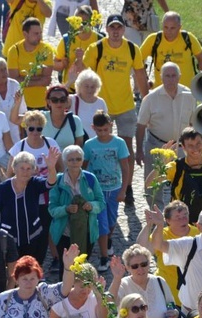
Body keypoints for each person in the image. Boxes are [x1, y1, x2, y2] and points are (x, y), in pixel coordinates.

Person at [83, 14, 149, 205]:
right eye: (112, 27)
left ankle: (127, 188)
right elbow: (85, 74)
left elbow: (140, 75)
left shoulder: (131, 48)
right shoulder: (97, 48)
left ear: (124, 29)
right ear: (107, 29)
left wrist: (146, 100)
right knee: (101, 146)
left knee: (126, 148)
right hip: (102, 107)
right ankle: (99, 184)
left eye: (118, 27)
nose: (115, 31)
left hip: (126, 105)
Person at [135, 62, 195, 208]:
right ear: (161, 78)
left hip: (182, 146)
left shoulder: (190, 95)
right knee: (154, 184)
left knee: (183, 181)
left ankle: (180, 214)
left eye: (174, 76)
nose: (170, 79)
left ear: (179, 77)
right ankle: (156, 215)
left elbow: (194, 122)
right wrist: (139, 150)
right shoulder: (150, 98)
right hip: (157, 145)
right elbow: (141, 125)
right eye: (167, 76)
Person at [82, 110, 131, 271]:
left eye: (106, 129)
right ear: (93, 128)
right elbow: (84, 167)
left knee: (111, 220)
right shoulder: (89, 145)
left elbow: (125, 167)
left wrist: (124, 190)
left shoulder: (119, 143)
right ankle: (104, 257)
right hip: (97, 191)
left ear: (111, 126)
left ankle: (108, 240)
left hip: (115, 188)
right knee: (101, 223)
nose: (103, 133)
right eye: (99, 130)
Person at [145, 126, 202, 224]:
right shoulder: (175, 167)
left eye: (198, 143)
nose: (195, 148)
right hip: (180, 225)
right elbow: (149, 184)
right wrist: (163, 162)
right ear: (183, 147)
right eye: (190, 145)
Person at [48, 144, 105, 274]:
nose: (75, 162)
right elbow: (52, 209)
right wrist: (66, 209)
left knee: (82, 267)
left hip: (87, 231)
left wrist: (91, 206)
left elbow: (101, 203)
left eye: (78, 159)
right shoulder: (57, 180)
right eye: (71, 159)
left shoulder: (90, 178)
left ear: (82, 160)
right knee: (66, 269)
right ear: (65, 161)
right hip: (64, 232)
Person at [0, 149, 59, 264]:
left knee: (31, 269)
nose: (25, 172)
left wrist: (51, 167)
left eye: (29, 168)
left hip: (33, 236)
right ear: (14, 169)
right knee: (13, 272)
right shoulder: (3, 188)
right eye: (22, 168)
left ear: (34, 170)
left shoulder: (34, 183)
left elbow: (50, 183)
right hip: (10, 239)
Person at [137, 200, 198, 308]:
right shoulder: (162, 234)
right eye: (178, 217)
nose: (183, 220)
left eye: (185, 215)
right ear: (168, 221)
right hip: (167, 291)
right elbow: (143, 249)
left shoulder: (198, 233)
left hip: (193, 290)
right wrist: (150, 225)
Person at [108, 244, 178, 318]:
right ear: (128, 268)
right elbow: (109, 302)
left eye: (144, 264)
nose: (140, 269)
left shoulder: (159, 281)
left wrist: (173, 315)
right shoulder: (122, 284)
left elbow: (171, 306)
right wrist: (117, 278)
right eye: (135, 266)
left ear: (149, 264)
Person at [140, 12, 202, 87]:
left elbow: (201, 57)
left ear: (180, 27)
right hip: (162, 90)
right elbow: (138, 59)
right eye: (166, 27)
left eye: (172, 28)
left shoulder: (188, 38)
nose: (169, 31)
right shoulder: (153, 39)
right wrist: (145, 79)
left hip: (187, 90)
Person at [8, 18, 55, 111]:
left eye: (40, 33)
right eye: (36, 34)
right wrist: (38, 79)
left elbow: (46, 80)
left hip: (42, 102)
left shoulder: (46, 50)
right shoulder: (14, 51)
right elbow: (14, 80)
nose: (40, 36)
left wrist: (24, 79)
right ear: (25, 34)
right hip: (20, 103)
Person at [53, 5, 101, 90]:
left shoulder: (99, 40)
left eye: (85, 22)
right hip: (71, 89)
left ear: (91, 22)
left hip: (92, 90)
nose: (81, 25)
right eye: (78, 22)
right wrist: (62, 64)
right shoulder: (67, 40)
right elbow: (54, 64)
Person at [69, 69, 107, 141]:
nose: (89, 90)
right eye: (86, 86)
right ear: (79, 86)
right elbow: (55, 96)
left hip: (96, 143)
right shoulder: (72, 100)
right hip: (77, 143)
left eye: (92, 87)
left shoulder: (101, 102)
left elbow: (105, 125)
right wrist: (69, 82)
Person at [43, 84, 84, 149]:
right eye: (54, 100)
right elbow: (21, 119)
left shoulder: (75, 120)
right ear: (48, 102)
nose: (59, 103)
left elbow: (78, 147)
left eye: (62, 99)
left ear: (67, 101)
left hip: (68, 158)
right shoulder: (41, 117)